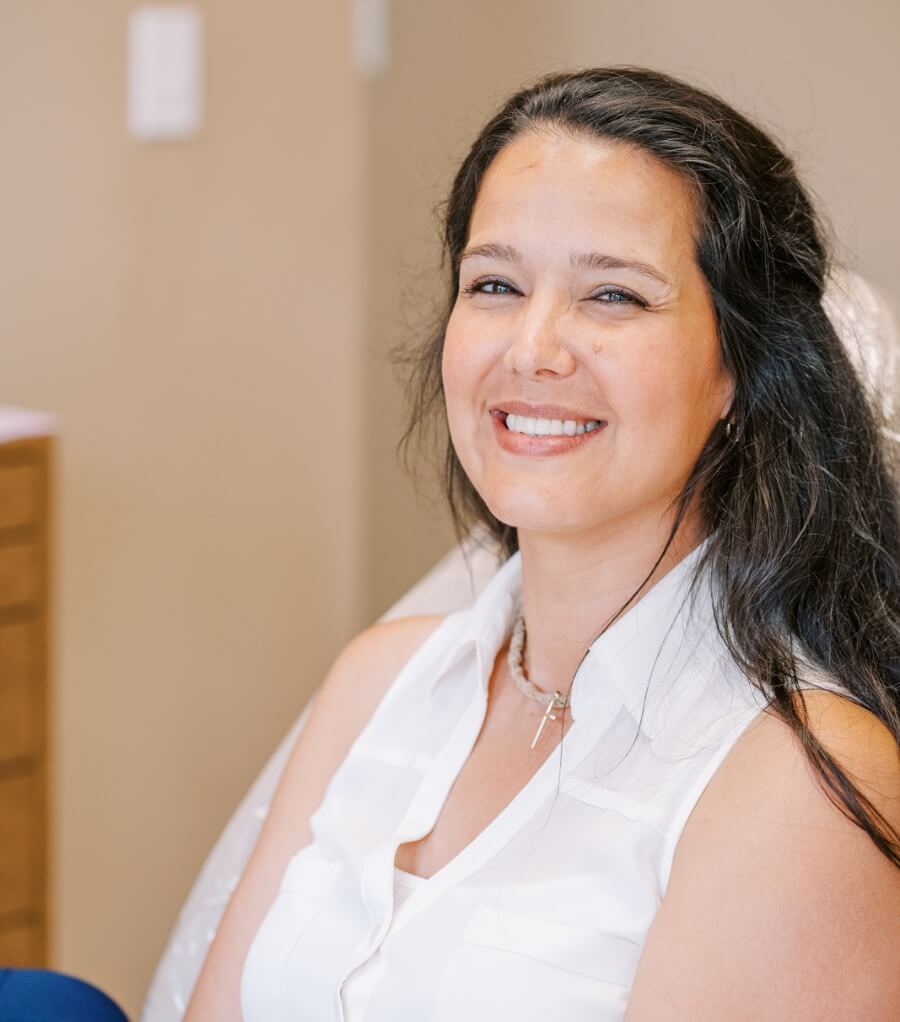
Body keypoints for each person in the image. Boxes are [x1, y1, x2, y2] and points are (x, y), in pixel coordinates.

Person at [184, 67, 900, 1020]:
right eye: (495, 284)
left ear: (742, 370)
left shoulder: (796, 777)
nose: (533, 347)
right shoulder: (382, 681)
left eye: (613, 296)